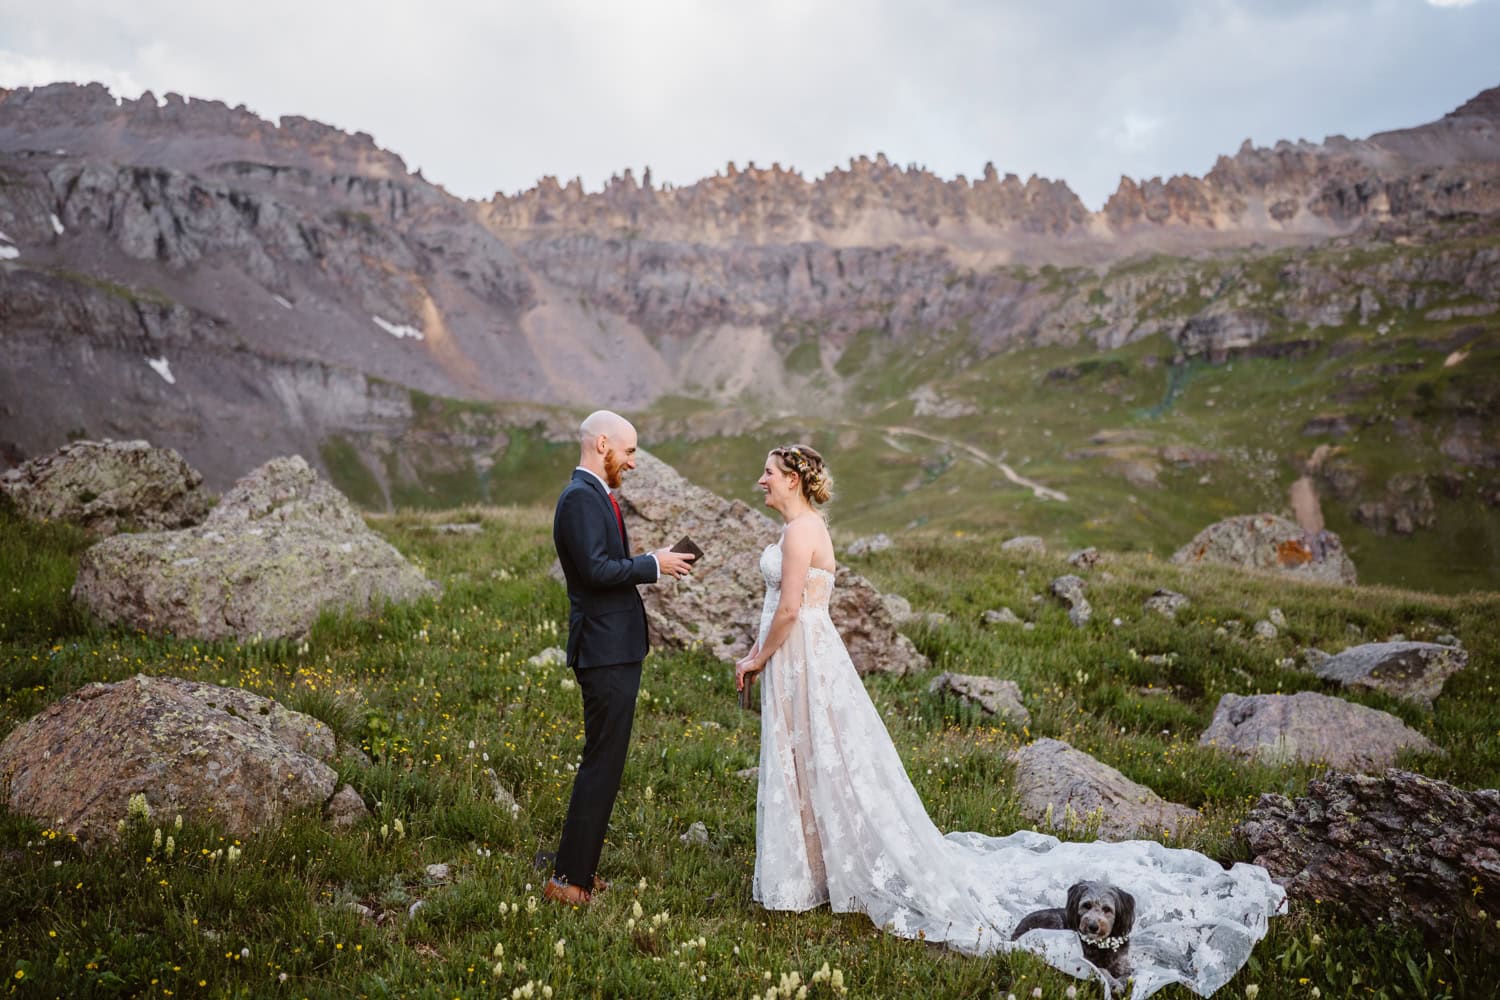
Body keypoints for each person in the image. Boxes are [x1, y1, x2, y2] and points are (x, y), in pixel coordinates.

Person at [734, 444, 1284, 998]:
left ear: (795, 482)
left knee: (814, 759)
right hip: (803, 657)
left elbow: (788, 610)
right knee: (813, 762)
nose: (761, 480)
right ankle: (818, 869)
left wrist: (756, 657)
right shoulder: (804, 528)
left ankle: (816, 875)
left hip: (802, 654)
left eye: (770, 473)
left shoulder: (802, 532)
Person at [544, 410, 695, 907]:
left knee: (606, 762)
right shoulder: (579, 499)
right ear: (602, 444)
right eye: (629, 452)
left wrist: (648, 558)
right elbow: (592, 570)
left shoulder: (594, 496)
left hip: (616, 648)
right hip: (603, 651)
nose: (632, 462)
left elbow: (605, 563)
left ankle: (579, 870)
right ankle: (567, 881)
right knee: (601, 763)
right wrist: (652, 564)